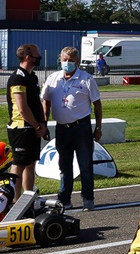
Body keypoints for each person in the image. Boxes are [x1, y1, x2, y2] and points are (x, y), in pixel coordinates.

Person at [42, 46, 104, 211]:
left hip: (81, 128)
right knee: (64, 165)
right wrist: (44, 123)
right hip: (62, 128)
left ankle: (88, 199)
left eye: (70, 60)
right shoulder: (53, 78)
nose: (67, 63)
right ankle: (64, 199)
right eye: (64, 60)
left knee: (85, 165)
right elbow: (46, 102)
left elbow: (97, 105)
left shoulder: (86, 79)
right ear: (60, 60)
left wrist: (98, 127)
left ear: (77, 61)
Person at [6, 44, 50, 196]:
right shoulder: (18, 78)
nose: (39, 57)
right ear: (28, 57)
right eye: (37, 55)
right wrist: (37, 127)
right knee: (19, 164)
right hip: (21, 128)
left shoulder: (32, 76)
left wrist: (43, 124)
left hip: (34, 127)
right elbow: (22, 108)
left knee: (30, 164)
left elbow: (36, 103)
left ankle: (28, 198)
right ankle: (13, 200)